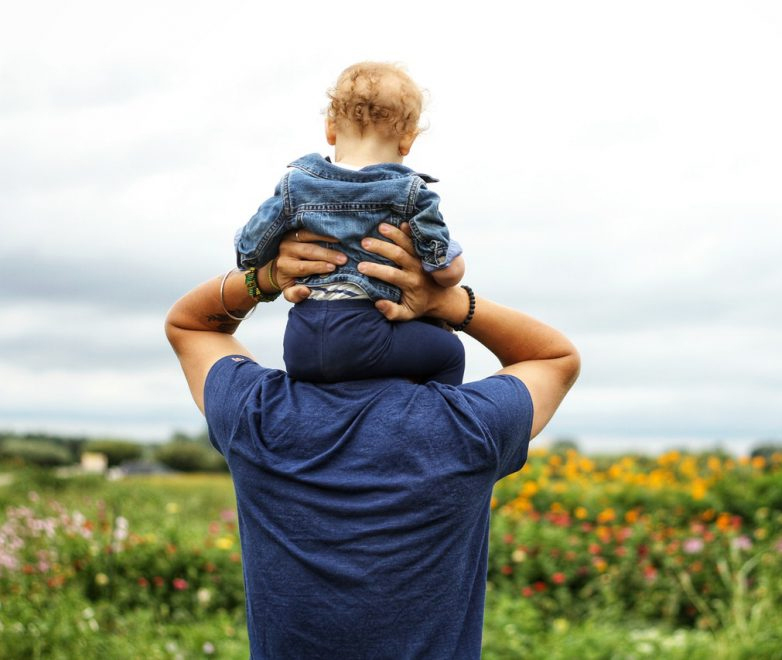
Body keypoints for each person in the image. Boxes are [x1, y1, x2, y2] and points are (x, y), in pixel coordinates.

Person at [165, 224, 580, 658]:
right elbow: (553, 357)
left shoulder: (258, 415)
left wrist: (265, 278)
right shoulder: (468, 426)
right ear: (429, 332)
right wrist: (450, 301)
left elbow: (191, 326)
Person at [235, 61, 466, 385]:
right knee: (449, 352)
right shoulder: (410, 192)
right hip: (368, 335)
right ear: (407, 141)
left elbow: (250, 252)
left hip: (301, 341)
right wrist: (452, 263)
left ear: (330, 128)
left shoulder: (295, 185)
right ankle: (435, 423)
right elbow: (444, 271)